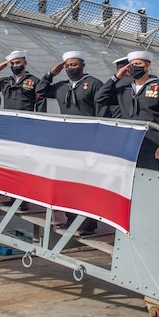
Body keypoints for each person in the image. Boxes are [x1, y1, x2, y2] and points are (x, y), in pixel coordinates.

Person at [41, 50, 105, 234]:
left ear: (83, 65)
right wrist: (52, 73)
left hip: (87, 141)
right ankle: (72, 219)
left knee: (85, 183)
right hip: (67, 141)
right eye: (67, 66)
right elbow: (40, 90)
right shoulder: (61, 86)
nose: (70, 69)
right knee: (68, 181)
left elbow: (103, 110)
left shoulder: (93, 84)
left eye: (74, 65)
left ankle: (87, 222)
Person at [95, 50, 159, 171]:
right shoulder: (123, 89)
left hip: (152, 144)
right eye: (132, 64)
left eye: (138, 64)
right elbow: (99, 98)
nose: (134, 67)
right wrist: (116, 77)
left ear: (148, 66)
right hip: (128, 144)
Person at [0, 50, 47, 211]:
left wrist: (39, 126)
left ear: (25, 63)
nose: (15, 66)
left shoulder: (34, 81)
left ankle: (23, 199)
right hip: (8, 127)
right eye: (12, 64)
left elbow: (40, 105)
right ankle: (12, 195)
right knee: (10, 163)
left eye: (18, 63)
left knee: (23, 164)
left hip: (25, 127)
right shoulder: (5, 81)